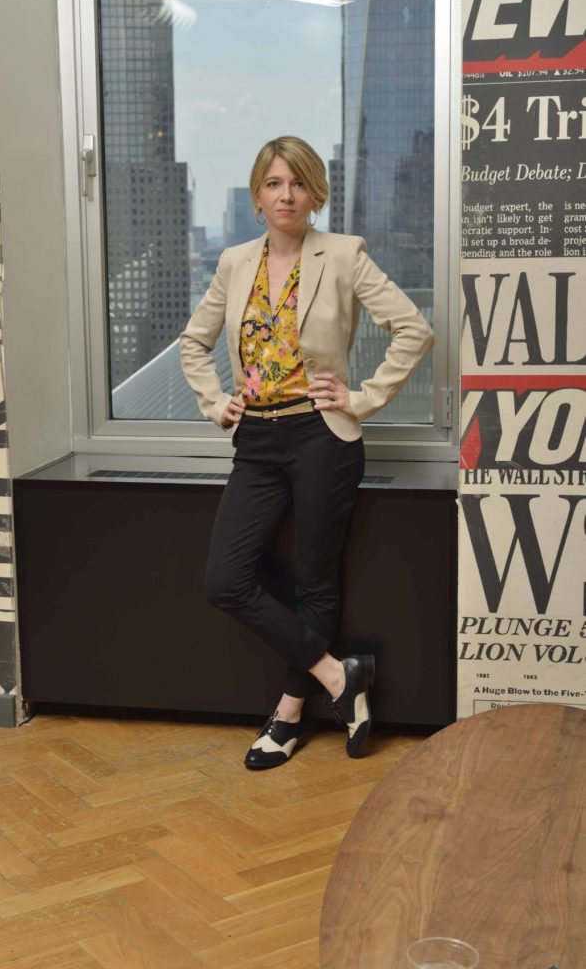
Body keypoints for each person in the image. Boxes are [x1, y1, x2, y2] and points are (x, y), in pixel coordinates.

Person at [180, 136, 433, 770]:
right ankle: (339, 675)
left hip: (324, 437)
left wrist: (363, 396)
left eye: (297, 183)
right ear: (258, 194)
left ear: (314, 193)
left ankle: (288, 715)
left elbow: (414, 329)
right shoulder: (235, 262)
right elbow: (193, 342)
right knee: (224, 579)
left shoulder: (344, 255)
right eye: (272, 183)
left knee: (317, 583)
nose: (285, 194)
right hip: (258, 440)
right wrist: (217, 404)